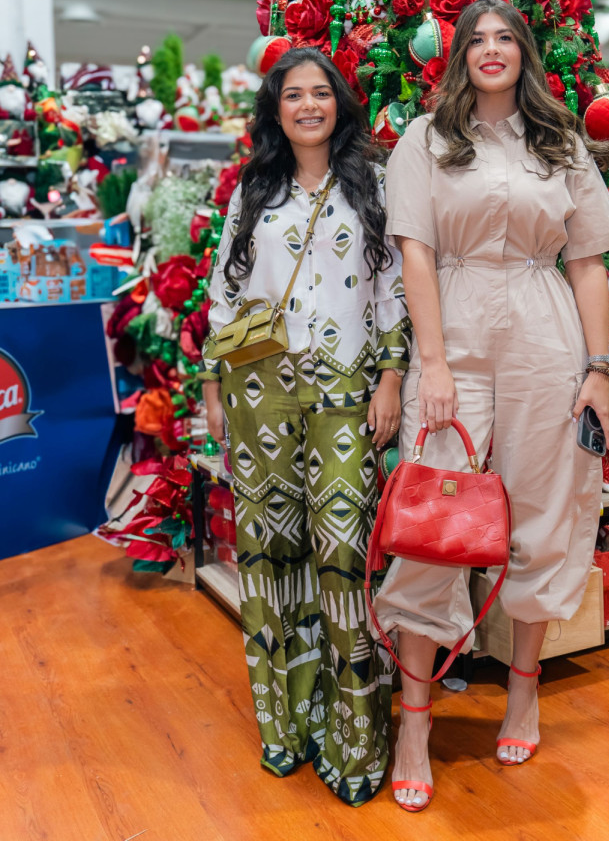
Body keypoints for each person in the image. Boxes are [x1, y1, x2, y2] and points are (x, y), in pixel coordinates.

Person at [371, 0, 609, 811]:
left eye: (504, 38)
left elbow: (588, 264)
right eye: (475, 39)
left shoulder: (561, 144)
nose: (490, 50)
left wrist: (597, 369)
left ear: (525, 52)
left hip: (547, 339)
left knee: (544, 514)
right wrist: (434, 363)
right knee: (429, 526)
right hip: (458, 333)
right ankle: (415, 723)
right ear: (457, 57)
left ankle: (523, 686)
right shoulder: (425, 139)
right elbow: (414, 253)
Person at [201, 49, 411, 806]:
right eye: (295, 95)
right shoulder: (252, 190)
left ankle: (356, 745)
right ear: (276, 109)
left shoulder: (372, 186)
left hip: (346, 397)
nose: (310, 105)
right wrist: (211, 386)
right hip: (260, 392)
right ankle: (288, 729)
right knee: (268, 555)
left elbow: (393, 290)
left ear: (339, 105)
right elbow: (226, 291)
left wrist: (391, 377)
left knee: (342, 561)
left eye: (322, 93)